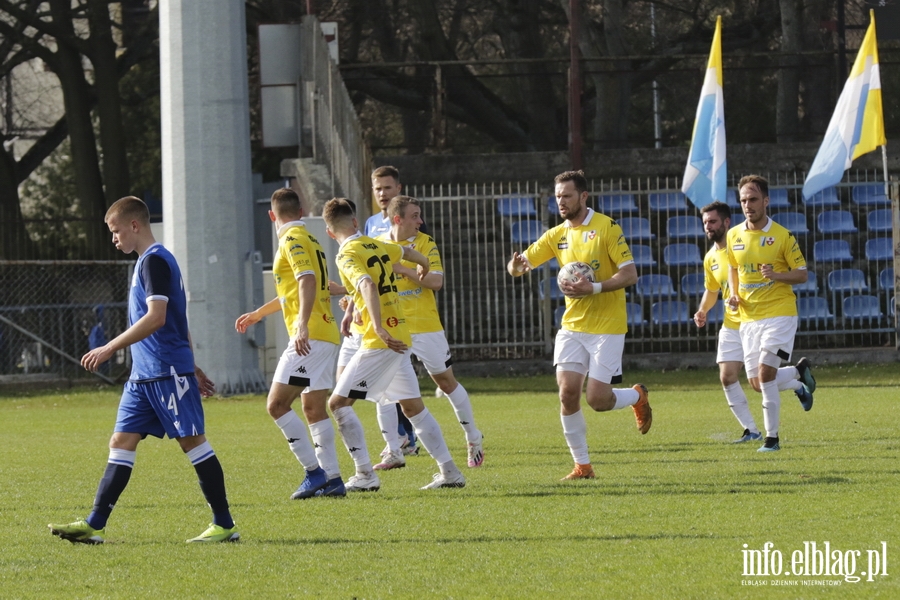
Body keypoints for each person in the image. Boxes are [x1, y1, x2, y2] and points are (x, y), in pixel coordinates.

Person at [49, 196, 238, 544]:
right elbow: (179, 321)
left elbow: (158, 317)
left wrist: (109, 347)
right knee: (121, 441)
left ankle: (224, 524)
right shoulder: (144, 264)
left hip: (166, 373)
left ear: (135, 226)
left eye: (116, 230)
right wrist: (193, 364)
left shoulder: (154, 262)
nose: (114, 238)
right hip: (144, 376)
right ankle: (95, 524)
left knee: (193, 443)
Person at [507, 170, 651, 481]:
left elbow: (630, 274)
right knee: (567, 392)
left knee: (597, 400)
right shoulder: (556, 235)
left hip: (608, 326)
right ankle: (582, 466)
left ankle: (637, 397)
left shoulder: (606, 228)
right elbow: (518, 268)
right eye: (558, 196)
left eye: (567, 196)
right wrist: (516, 266)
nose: (561, 201)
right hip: (572, 326)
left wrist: (594, 288)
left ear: (583, 197)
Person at [322, 198, 466, 491]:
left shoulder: (346, 253)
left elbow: (366, 285)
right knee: (413, 408)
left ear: (328, 231)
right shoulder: (374, 245)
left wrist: (375, 325)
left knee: (337, 404)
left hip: (381, 340)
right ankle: (450, 472)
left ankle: (364, 475)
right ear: (355, 222)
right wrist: (424, 263)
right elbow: (408, 252)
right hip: (401, 335)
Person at [235, 188, 345, 500]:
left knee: (277, 404)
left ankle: (314, 473)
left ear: (272, 215)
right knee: (312, 407)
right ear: (302, 210)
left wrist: (300, 327)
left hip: (309, 339)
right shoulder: (311, 239)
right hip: (325, 336)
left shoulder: (291, 240)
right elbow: (296, 292)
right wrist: (260, 313)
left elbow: (307, 281)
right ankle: (334, 479)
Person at [373, 195, 484, 471]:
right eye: (415, 216)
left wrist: (404, 270)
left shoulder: (425, 242)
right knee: (384, 387)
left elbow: (436, 281)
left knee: (446, 383)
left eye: (420, 215)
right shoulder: (377, 245)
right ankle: (394, 448)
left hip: (425, 326)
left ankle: (473, 437)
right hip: (394, 327)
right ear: (397, 219)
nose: (420, 221)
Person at [693, 201, 816, 444]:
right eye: (705, 222)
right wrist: (702, 310)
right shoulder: (710, 258)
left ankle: (794, 382)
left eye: (713, 221)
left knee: (762, 380)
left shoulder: (745, 242)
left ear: (727, 222)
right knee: (728, 377)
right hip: (732, 324)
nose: (708, 227)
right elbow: (712, 290)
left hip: (756, 317)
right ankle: (752, 429)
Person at [726, 175, 817, 453]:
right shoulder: (733, 235)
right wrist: (733, 293)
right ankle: (798, 376)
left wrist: (776, 275)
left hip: (779, 313)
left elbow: (802, 274)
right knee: (756, 383)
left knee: (765, 375)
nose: (747, 205)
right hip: (749, 318)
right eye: (743, 200)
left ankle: (772, 439)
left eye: (753, 199)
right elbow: (733, 267)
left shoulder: (782, 236)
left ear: (766, 201)